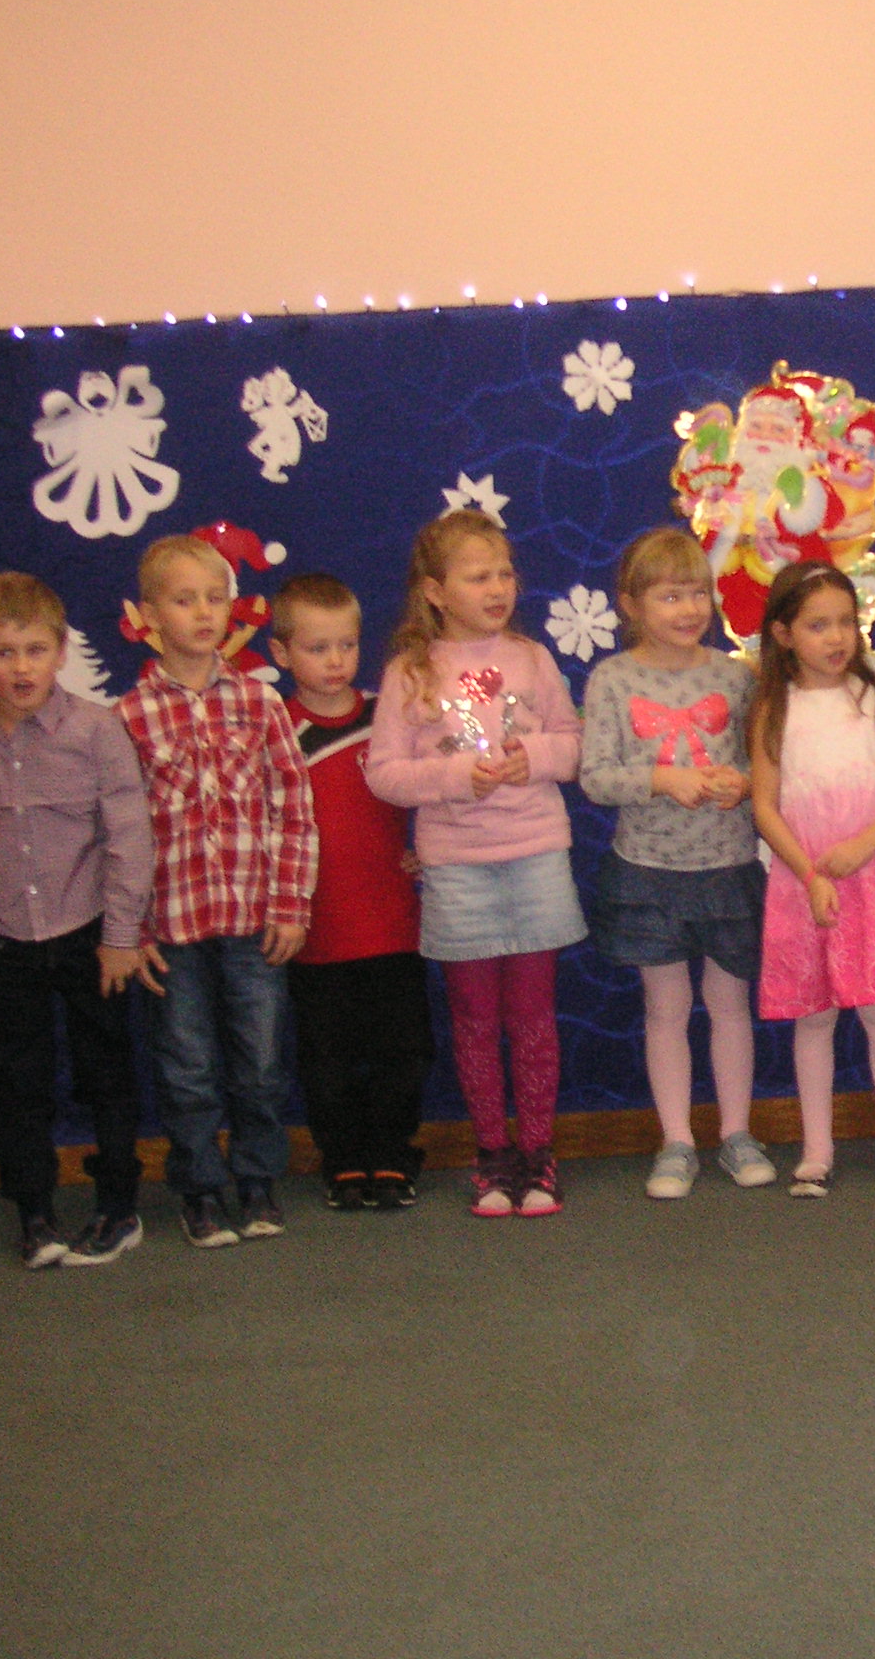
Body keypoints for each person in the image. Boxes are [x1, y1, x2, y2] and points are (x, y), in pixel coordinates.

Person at [366, 509, 586, 1218]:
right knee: (473, 1017)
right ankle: (492, 1153)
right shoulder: (409, 672)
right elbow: (384, 774)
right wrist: (457, 777)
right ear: (435, 591)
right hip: (458, 864)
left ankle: (539, 1151)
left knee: (533, 1015)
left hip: (535, 853)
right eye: (478, 577)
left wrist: (536, 758)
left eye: (504, 574)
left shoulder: (532, 658)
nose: (497, 588)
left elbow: (573, 742)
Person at [0, 572, 154, 1268]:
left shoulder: (96, 731)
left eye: (35, 650)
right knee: (19, 1080)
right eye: (4, 653)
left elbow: (129, 837)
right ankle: (34, 1212)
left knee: (106, 1072)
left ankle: (118, 1204)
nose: (21, 668)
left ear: (60, 652)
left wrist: (121, 937)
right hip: (4, 938)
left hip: (90, 933)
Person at [117, 534, 318, 1250]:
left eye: (215, 598)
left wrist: (291, 905)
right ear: (149, 615)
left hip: (253, 920)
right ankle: (199, 1187)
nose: (204, 613)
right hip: (171, 929)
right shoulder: (128, 716)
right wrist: (130, 929)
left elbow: (294, 809)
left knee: (260, 1062)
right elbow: (119, 834)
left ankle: (258, 1179)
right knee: (188, 1067)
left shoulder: (260, 703)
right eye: (184, 600)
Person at [578, 528, 774, 1200]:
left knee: (730, 1005)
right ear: (631, 603)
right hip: (648, 871)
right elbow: (596, 776)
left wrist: (740, 784)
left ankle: (737, 1133)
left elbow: (763, 764)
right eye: (669, 596)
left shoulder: (735, 676)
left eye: (697, 593)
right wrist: (664, 780)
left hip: (727, 866)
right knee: (666, 1007)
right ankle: (677, 1140)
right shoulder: (612, 679)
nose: (689, 609)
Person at [748, 560, 875, 1197]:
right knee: (815, 1016)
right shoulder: (773, 709)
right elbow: (765, 805)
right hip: (807, 882)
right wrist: (809, 875)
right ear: (783, 635)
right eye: (817, 625)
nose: (835, 638)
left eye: (845, 623)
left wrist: (863, 846)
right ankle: (816, 1150)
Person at [266, 573, 434, 1212]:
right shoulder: (275, 728)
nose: (335, 661)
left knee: (404, 1051)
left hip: (393, 923)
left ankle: (391, 1154)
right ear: (282, 653)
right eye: (317, 648)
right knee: (327, 1061)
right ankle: (342, 1159)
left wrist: (430, 846)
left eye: (347, 645)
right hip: (316, 931)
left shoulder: (384, 713)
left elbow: (433, 779)